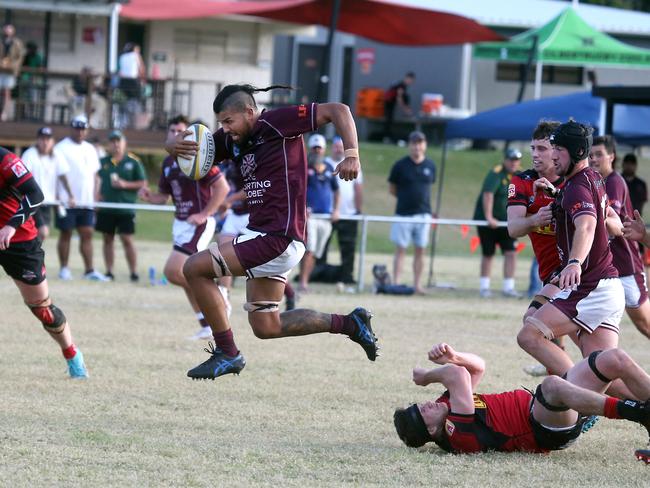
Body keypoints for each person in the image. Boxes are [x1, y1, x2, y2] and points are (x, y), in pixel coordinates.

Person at [168, 83, 379, 380]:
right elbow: (189, 151)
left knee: (193, 268)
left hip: (278, 237)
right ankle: (350, 324)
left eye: (229, 121)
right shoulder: (233, 139)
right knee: (267, 326)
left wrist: (352, 153)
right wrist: (174, 146)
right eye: (221, 123)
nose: (224, 129)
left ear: (250, 112)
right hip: (264, 235)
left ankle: (227, 352)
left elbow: (338, 110)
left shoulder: (276, 122)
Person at [516, 120, 630, 399]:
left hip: (591, 286)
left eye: (558, 150)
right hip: (608, 287)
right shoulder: (590, 178)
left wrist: (575, 262)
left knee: (529, 333)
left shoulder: (578, 186)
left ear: (576, 151)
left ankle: (567, 394)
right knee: (604, 378)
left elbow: (587, 225)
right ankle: (634, 405)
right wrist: (556, 196)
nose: (552, 156)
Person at [394, 342, 650, 456]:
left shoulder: (450, 405)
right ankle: (637, 412)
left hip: (548, 407)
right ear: (430, 429)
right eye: (423, 410)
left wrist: (454, 355)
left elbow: (476, 368)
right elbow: (458, 375)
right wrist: (427, 377)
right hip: (544, 428)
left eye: (421, 402)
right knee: (551, 385)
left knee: (614, 358)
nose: (427, 403)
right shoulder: (457, 434)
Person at [138, 115, 230, 340]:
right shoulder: (169, 163)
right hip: (180, 224)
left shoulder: (198, 157)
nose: (175, 134)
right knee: (186, 275)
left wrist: (205, 214)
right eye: (172, 131)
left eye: (180, 131)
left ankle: (218, 297)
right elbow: (164, 197)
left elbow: (222, 188)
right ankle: (207, 324)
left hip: (198, 224)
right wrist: (150, 197)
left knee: (173, 271)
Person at [0, 147, 88, 378]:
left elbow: (35, 194)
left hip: (18, 242)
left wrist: (11, 225)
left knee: (42, 309)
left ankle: (71, 354)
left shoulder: (6, 160)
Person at [507, 121, 566, 376]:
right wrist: (535, 220)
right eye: (533, 148)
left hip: (575, 273)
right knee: (552, 335)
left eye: (542, 148)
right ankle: (565, 389)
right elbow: (514, 228)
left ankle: (572, 385)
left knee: (534, 324)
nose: (535, 154)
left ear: (557, 151)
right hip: (550, 273)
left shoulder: (574, 181)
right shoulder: (521, 181)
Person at [589, 135, 650, 338]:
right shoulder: (593, 182)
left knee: (645, 325)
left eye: (599, 155)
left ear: (612, 157)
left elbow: (609, 222)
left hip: (625, 267)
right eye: (590, 155)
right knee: (567, 307)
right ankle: (558, 360)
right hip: (603, 269)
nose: (594, 159)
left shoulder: (614, 182)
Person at [216, 160, 297, 312]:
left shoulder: (246, 159)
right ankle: (224, 299)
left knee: (261, 262)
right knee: (222, 255)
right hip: (234, 214)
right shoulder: (226, 163)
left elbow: (252, 188)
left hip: (252, 215)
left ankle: (290, 293)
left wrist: (228, 200)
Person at [54, 115, 107, 281]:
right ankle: (64, 268)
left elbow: (96, 176)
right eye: (77, 128)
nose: (80, 131)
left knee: (87, 233)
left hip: (86, 201)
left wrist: (96, 195)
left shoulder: (91, 149)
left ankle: (89, 270)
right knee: (66, 233)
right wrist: (58, 198)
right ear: (71, 128)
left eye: (83, 128)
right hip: (66, 200)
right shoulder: (61, 148)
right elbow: (57, 175)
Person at [388, 131, 436, 295]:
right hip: (404, 214)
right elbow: (392, 189)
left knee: (420, 250)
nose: (417, 146)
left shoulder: (430, 166)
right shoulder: (400, 166)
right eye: (414, 143)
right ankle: (396, 282)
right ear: (410, 145)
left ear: (425, 145)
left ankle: (417, 284)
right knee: (400, 249)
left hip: (423, 214)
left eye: (420, 143)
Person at [96, 130, 147, 282]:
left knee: (127, 239)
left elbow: (142, 183)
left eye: (119, 141)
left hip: (126, 208)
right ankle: (109, 271)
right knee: (107, 238)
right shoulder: (102, 162)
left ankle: (133, 271)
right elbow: (94, 180)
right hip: (107, 207)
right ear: (109, 144)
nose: (116, 144)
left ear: (124, 143)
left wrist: (125, 184)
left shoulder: (133, 161)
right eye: (113, 141)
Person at [474, 148, 522, 298]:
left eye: (516, 160)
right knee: (488, 253)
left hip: (507, 222)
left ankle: (508, 287)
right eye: (511, 160)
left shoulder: (520, 175)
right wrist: (489, 217)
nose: (514, 163)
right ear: (505, 160)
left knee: (511, 253)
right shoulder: (496, 173)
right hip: (489, 221)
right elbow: (488, 194)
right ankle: (484, 287)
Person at [299, 134, 340, 291]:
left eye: (319, 148)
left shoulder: (329, 168)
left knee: (316, 252)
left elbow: (337, 191)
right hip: (311, 216)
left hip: (325, 217)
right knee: (309, 250)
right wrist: (303, 207)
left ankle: (306, 280)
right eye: (314, 148)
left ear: (324, 150)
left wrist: (336, 210)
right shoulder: (304, 168)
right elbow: (299, 191)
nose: (317, 151)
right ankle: (303, 283)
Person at [21, 127, 74, 241]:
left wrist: (70, 195)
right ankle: (33, 257)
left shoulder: (57, 155)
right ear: (38, 140)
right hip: (33, 200)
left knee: (39, 236)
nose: (45, 142)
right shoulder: (30, 154)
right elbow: (23, 178)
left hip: (48, 201)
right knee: (42, 231)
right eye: (42, 139)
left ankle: (32, 257)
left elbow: (63, 177)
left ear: (52, 141)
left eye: (48, 139)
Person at [331, 135, 363, 285]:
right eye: (336, 146)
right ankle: (318, 273)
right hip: (329, 214)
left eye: (341, 146)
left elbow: (358, 189)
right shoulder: (326, 164)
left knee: (348, 247)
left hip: (349, 213)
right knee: (321, 247)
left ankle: (347, 275)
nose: (338, 149)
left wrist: (358, 209)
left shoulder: (353, 165)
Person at [117, 43, 145, 128]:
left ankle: (123, 122)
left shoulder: (122, 56)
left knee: (125, 102)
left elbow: (119, 70)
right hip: (133, 81)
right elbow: (141, 68)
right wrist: (143, 80)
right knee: (136, 101)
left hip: (123, 81)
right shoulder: (135, 55)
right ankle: (134, 123)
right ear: (134, 49)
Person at [0, 24, 24, 121]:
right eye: (6, 30)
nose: (7, 32)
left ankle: (4, 113)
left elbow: (20, 57)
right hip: (0, 70)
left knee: (7, 92)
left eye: (9, 30)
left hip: (10, 72)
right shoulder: (1, 42)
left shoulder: (17, 43)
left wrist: (12, 65)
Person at [383, 72, 415, 143]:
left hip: (391, 102)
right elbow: (399, 98)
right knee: (389, 120)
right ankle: (386, 138)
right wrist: (405, 109)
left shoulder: (403, 86)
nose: (410, 82)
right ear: (407, 78)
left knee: (390, 120)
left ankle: (388, 137)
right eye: (410, 80)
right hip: (388, 103)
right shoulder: (402, 85)